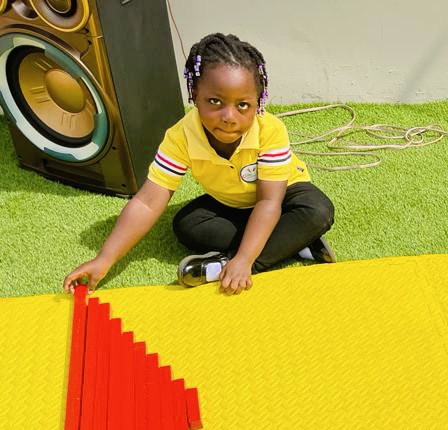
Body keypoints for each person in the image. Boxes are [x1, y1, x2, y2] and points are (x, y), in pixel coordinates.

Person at [63, 33, 335, 295]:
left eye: (243, 105)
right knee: (188, 224)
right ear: (194, 94)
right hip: (233, 205)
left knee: (316, 210)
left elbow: (268, 202)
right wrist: (104, 259)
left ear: (258, 103)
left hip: (282, 197)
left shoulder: (270, 130)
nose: (229, 116)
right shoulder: (181, 136)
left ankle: (227, 264)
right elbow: (147, 202)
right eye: (215, 101)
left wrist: (244, 260)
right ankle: (293, 241)